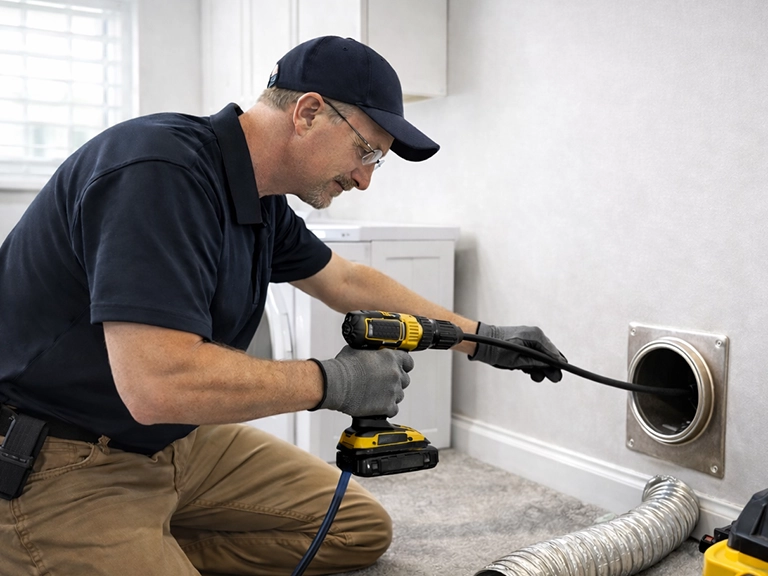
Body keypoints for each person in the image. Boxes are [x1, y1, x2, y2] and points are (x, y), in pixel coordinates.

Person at [0, 36, 566, 575]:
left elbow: (344, 279)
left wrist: (482, 337)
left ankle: (142, 536)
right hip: (59, 456)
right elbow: (157, 384)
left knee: (357, 529)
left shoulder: (257, 197)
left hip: (173, 439)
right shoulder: (159, 173)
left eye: (378, 161)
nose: (365, 179)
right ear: (309, 112)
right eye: (365, 150)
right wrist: (332, 382)